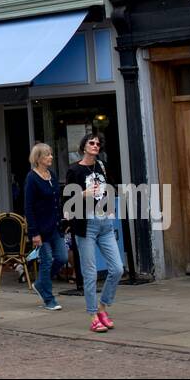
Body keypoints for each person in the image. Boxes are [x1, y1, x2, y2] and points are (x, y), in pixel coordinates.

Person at [66, 133, 121, 333]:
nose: (95, 145)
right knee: (89, 273)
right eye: (92, 142)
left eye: (98, 143)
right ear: (83, 146)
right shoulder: (74, 170)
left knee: (117, 268)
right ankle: (92, 315)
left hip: (105, 223)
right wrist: (83, 194)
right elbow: (68, 200)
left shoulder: (102, 166)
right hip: (86, 224)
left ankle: (102, 307)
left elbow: (109, 187)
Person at [24, 142, 67, 310]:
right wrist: (34, 232)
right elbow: (28, 207)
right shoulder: (32, 178)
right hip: (40, 229)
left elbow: (57, 200)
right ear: (38, 158)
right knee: (47, 261)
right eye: (47, 154)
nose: (51, 157)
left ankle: (41, 283)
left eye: (50, 154)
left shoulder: (52, 175)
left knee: (62, 258)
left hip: (55, 226)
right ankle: (49, 299)